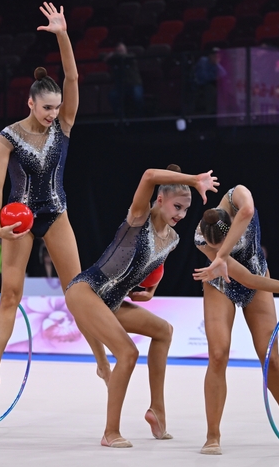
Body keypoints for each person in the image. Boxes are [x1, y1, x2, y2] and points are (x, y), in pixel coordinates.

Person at [0, 2, 109, 412]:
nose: (55, 114)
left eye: (58, 107)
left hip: (56, 212)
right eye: (48, 107)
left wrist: (62, 35)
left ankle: (102, 360)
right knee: (10, 296)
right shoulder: (8, 135)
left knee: (78, 293)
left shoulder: (64, 125)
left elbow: (72, 76)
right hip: (20, 218)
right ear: (31, 103)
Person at [65, 165, 220, 448]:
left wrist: (151, 291)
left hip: (112, 301)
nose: (181, 215)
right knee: (128, 352)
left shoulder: (172, 240)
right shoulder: (139, 217)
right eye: (177, 206)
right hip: (87, 290)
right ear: (159, 200)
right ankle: (110, 432)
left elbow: (154, 267)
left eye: (186, 210)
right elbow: (149, 175)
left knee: (164, 331)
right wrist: (195, 179)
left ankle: (157, 411)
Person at [193, 186, 279, 455]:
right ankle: (212, 434)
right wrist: (219, 258)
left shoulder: (237, 196)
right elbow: (242, 278)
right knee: (218, 354)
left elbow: (248, 213)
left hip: (258, 275)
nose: (216, 250)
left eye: (221, 245)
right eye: (214, 248)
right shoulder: (202, 236)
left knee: (269, 354)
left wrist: (222, 255)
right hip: (221, 283)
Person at [105, 42, 144, 118]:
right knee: (112, 96)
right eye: (119, 50)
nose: (121, 51)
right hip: (121, 86)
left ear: (125, 49)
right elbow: (103, 56)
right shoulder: (115, 61)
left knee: (137, 96)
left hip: (134, 84)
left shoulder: (131, 57)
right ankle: (120, 117)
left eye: (122, 49)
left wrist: (113, 55)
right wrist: (111, 56)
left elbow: (123, 57)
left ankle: (139, 117)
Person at [190, 47, 227, 114]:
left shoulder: (215, 64)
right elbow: (203, 77)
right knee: (211, 91)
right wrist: (215, 77)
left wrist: (217, 64)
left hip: (208, 84)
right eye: (215, 56)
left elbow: (223, 73)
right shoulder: (203, 60)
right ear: (210, 56)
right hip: (197, 85)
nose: (217, 58)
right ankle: (210, 113)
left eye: (218, 56)